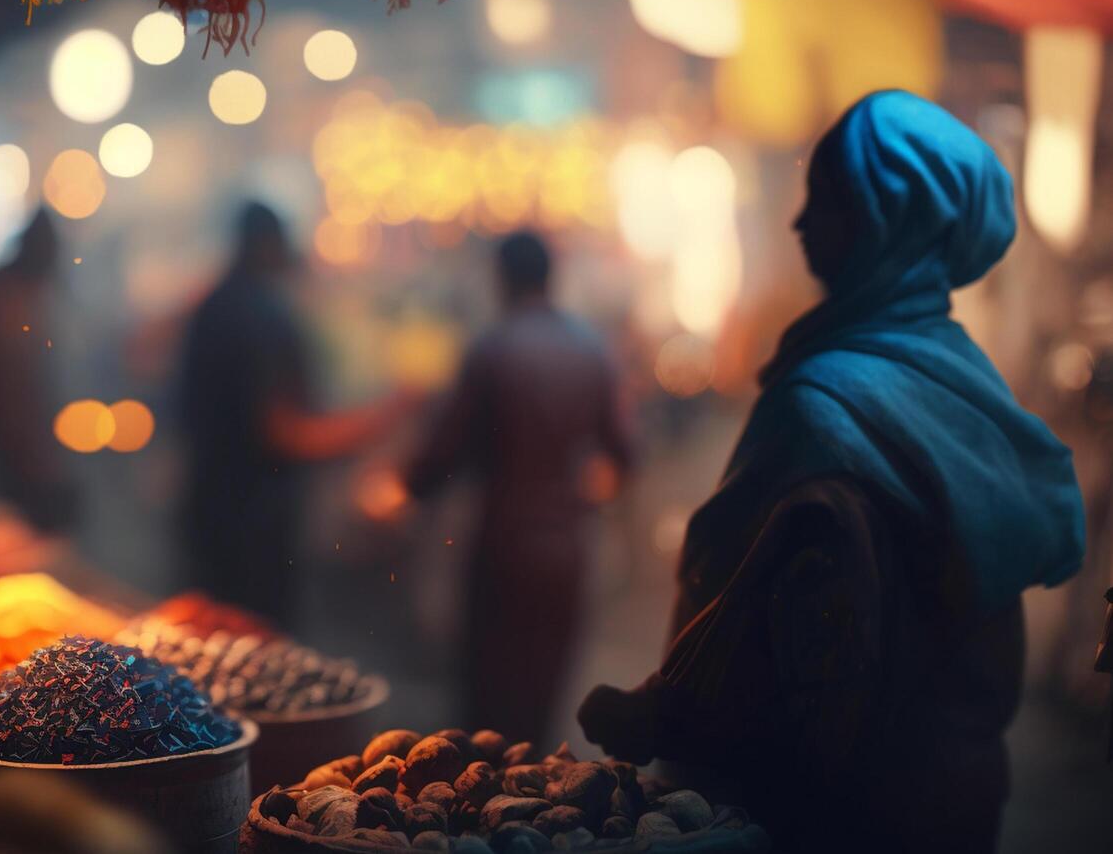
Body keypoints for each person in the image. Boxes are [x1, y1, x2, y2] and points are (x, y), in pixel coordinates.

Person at [577, 91, 1085, 853]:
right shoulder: (964, 380)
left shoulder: (822, 404)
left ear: (883, 222)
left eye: (824, 201)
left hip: (834, 811)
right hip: (959, 793)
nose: (798, 223)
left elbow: (743, 618)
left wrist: (649, 715)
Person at [400, 230, 632, 743]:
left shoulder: (492, 348)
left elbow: (438, 459)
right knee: (542, 705)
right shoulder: (591, 349)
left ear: (501, 278)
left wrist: (406, 488)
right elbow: (624, 452)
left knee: (489, 710)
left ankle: (487, 816)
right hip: (568, 550)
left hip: (502, 546)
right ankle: (536, 812)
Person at [174, 201, 403, 627]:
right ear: (269, 246)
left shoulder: (211, 305)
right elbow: (286, 433)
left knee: (205, 649)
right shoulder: (264, 318)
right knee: (253, 656)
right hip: (254, 527)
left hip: (206, 510)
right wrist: (383, 417)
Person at [0, 207, 75, 533]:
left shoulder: (7, 292)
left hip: (11, 456)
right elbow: (12, 399)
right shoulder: (8, 302)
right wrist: (42, 468)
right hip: (5, 462)